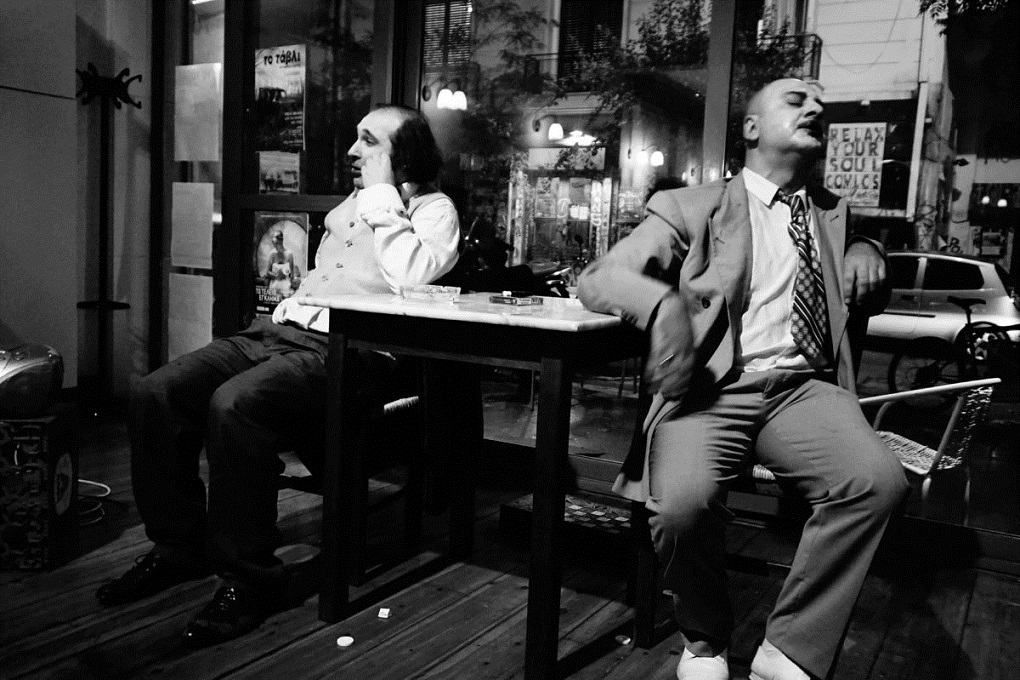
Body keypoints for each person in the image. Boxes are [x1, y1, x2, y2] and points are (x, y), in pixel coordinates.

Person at [577, 78, 908, 680]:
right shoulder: (690, 205)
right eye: (796, 100)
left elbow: (856, 260)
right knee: (680, 506)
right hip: (713, 388)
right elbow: (600, 277)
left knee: (875, 483)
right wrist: (662, 307)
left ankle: (790, 650)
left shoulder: (833, 213)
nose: (815, 107)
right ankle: (704, 640)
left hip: (803, 388)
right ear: (751, 129)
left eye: (820, 104)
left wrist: (868, 247)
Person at [96, 104, 460, 646]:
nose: (352, 151)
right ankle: (178, 547)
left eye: (368, 141)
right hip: (279, 331)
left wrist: (384, 194)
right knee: (157, 392)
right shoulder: (354, 203)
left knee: (235, 405)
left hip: (350, 352)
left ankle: (248, 579)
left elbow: (413, 274)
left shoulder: (434, 210)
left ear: (402, 154)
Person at [264, 230, 298, 296]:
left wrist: (292, 284)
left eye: (277, 242)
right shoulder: (272, 254)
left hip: (286, 285)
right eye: (274, 243)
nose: (275, 244)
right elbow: (268, 271)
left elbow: (292, 274)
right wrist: (276, 275)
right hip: (274, 285)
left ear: (281, 240)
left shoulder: (289, 254)